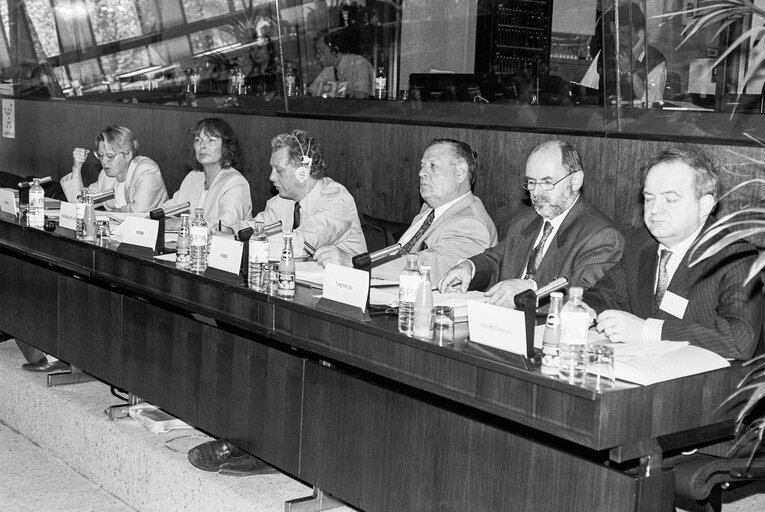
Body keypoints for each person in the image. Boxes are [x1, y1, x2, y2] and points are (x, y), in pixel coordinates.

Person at [584, 146, 764, 360]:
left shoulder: (734, 256)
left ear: (704, 205)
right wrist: (583, 310)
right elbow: (605, 294)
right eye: (649, 198)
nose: (654, 210)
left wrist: (648, 330)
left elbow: (740, 339)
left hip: (701, 385)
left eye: (669, 199)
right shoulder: (641, 243)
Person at [438, 140, 624, 307]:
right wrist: (469, 268)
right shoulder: (527, 219)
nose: (536, 193)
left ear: (576, 181)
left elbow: (582, 293)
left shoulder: (601, 235)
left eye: (547, 182)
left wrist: (529, 290)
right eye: (531, 182)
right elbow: (497, 259)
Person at [315, 138, 498, 282]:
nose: (421, 173)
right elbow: (400, 253)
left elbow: (430, 267)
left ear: (460, 172)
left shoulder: (472, 224)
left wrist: (354, 264)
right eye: (422, 165)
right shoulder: (431, 209)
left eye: (432, 165)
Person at [237, 129, 366, 257]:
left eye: (279, 170)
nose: (271, 177)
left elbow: (302, 246)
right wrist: (231, 231)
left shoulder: (337, 200)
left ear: (302, 172)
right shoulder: (283, 200)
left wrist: (253, 241)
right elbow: (256, 226)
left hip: (340, 277)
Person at [163, 118, 252, 233]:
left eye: (211, 140)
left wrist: (181, 223)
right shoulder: (193, 177)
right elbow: (168, 210)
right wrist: (151, 217)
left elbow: (223, 226)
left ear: (225, 146)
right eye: (198, 140)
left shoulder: (235, 182)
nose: (203, 146)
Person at [60, 126, 168, 213]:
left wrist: (111, 214)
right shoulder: (106, 176)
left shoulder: (147, 171)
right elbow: (79, 204)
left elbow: (140, 211)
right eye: (100, 155)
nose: (104, 162)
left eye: (110, 156)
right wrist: (76, 167)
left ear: (128, 154)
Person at [580, 2, 666, 106]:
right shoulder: (606, 53)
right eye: (614, 33)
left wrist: (629, 71)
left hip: (638, 120)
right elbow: (586, 89)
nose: (618, 39)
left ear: (640, 32)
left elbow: (654, 102)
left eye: (624, 33)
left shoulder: (655, 60)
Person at [310, 29, 374, 99]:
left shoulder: (360, 65)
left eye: (320, 51)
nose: (317, 56)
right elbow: (311, 92)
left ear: (335, 51)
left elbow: (360, 99)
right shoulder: (329, 69)